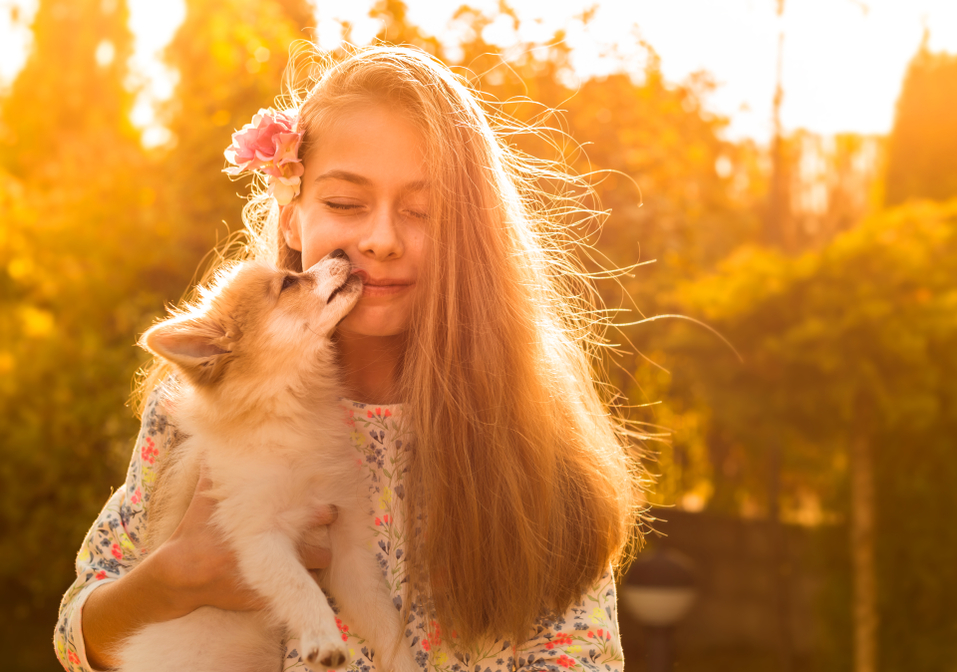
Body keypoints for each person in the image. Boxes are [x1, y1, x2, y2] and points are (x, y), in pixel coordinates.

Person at [54, 46, 643, 672]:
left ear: (471, 233)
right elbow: (78, 636)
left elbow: (581, 654)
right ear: (290, 215)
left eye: (422, 211)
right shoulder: (193, 412)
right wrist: (173, 579)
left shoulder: (528, 421)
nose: (381, 240)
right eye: (344, 203)